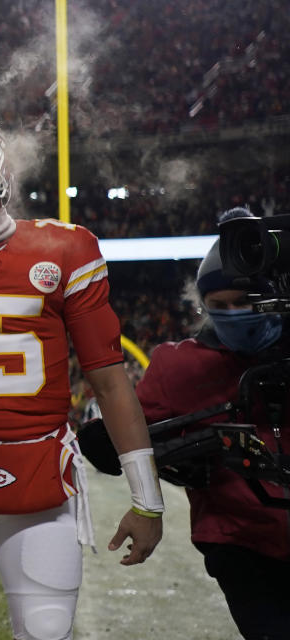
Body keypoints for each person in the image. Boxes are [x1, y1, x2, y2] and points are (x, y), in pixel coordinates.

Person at [0, 105, 164, 640]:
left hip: (41, 477)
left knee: (48, 630)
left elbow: (110, 378)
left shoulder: (64, 246)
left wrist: (148, 499)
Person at [135, 223, 290, 640]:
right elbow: (123, 431)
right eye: (217, 303)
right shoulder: (181, 367)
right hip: (241, 540)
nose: (232, 314)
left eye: (244, 301)